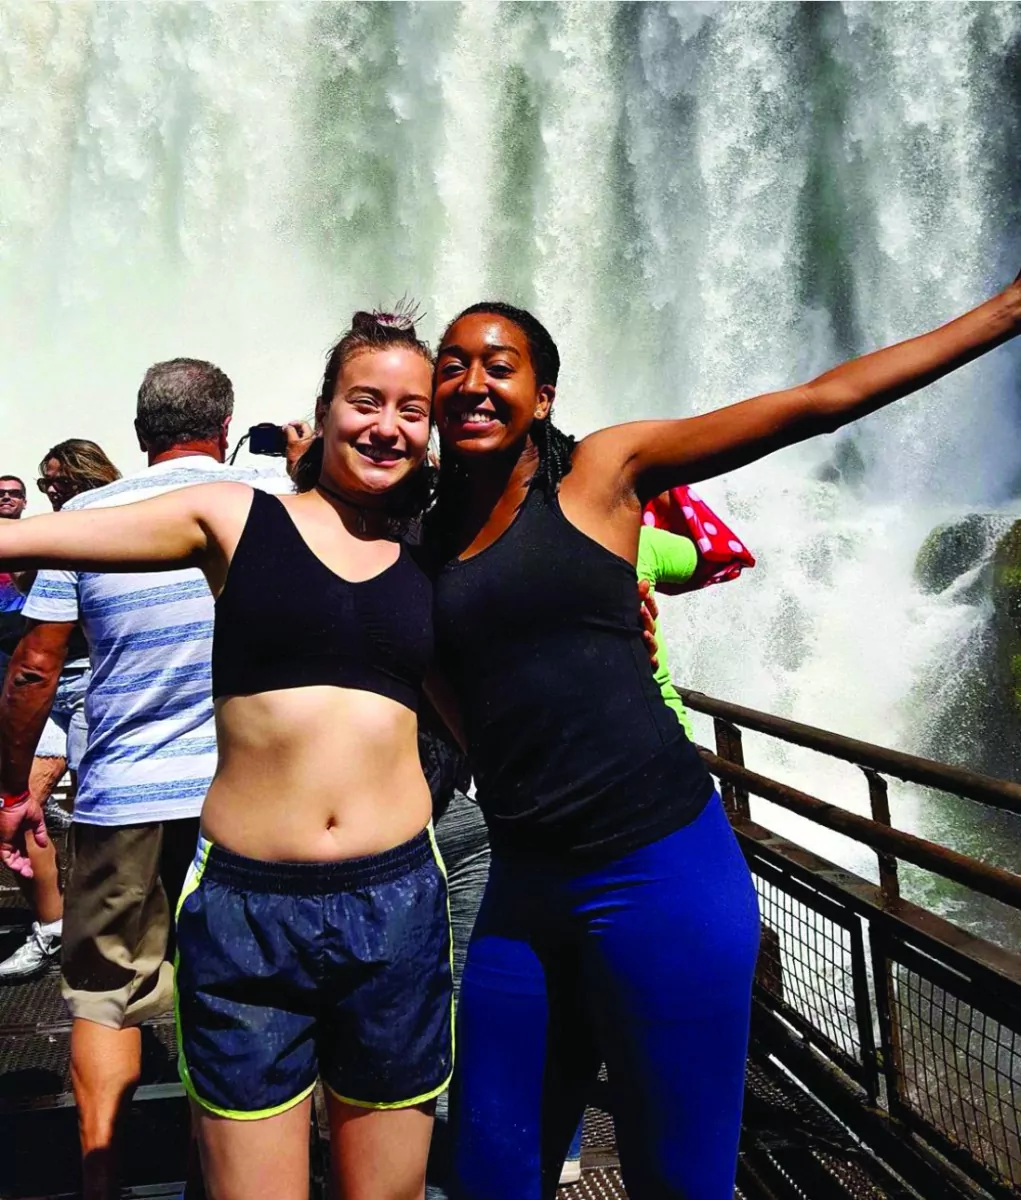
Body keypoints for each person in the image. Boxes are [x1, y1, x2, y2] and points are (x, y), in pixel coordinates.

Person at [426, 275, 1021, 1200]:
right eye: (451, 365)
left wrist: (1006, 312)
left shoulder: (602, 474)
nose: (471, 382)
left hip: (658, 872)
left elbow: (818, 404)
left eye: (497, 366)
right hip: (522, 887)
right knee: (488, 1172)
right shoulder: (426, 533)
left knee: (681, 1181)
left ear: (542, 395)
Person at [0, 319, 454, 1200]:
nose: (386, 425)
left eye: (411, 409)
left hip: (395, 902)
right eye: (365, 401)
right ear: (319, 414)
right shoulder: (236, 517)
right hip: (250, 908)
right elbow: (41, 541)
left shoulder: (434, 554)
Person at [0, 360, 295, 1200]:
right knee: (239, 984)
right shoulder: (267, 504)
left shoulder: (85, 520)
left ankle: (103, 1181)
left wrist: (13, 790)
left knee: (104, 996)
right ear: (225, 421)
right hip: (241, 800)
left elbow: (34, 668)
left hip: (120, 796)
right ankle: (230, 1174)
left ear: (138, 434)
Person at [0, 443, 123, 983]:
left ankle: (123, 936)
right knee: (14, 799)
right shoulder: (51, 532)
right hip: (52, 690)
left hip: (96, 685)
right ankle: (52, 927)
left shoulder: (120, 524)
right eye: (44, 479)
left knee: (108, 825)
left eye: (57, 478)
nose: (49, 488)